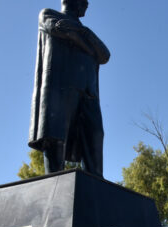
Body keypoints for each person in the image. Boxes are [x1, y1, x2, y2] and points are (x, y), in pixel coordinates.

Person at [29, 0, 111, 177]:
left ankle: (96, 186)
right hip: (60, 87)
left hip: (88, 93)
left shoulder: (86, 31)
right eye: (84, 1)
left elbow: (104, 54)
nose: (87, 4)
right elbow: (59, 28)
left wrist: (80, 34)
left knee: (95, 136)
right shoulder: (48, 13)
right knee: (56, 138)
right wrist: (88, 43)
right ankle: (53, 183)